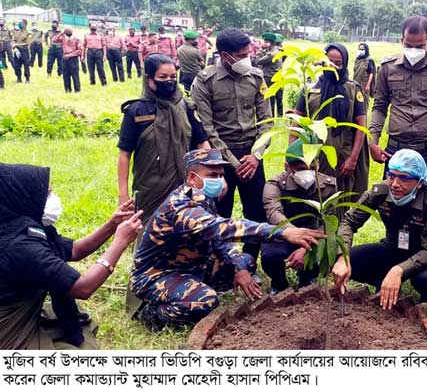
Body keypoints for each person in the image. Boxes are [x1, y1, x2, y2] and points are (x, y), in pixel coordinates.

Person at [129, 149, 324, 330]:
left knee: (245, 262)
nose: (220, 181)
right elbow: (223, 228)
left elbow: (217, 239)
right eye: (212, 176)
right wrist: (282, 232)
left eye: (221, 175)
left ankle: (195, 286)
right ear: (191, 177)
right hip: (158, 276)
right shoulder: (180, 208)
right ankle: (150, 314)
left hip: (192, 266)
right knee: (205, 301)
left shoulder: (202, 198)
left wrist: (238, 267)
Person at [0, 163, 143, 349]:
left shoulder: (20, 227)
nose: (53, 198)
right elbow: (82, 289)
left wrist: (111, 226)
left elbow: (74, 250)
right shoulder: (20, 246)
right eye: (47, 193)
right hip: (8, 328)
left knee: (75, 321)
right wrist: (120, 243)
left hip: (20, 309)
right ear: (25, 198)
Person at [191, 28, 272, 278]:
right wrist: (234, 163)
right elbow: (207, 129)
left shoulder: (256, 78)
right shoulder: (205, 82)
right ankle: (219, 266)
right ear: (225, 56)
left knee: (257, 212)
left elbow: (267, 122)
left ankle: (249, 263)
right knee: (218, 213)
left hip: (252, 156)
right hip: (218, 159)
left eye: (249, 53)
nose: (248, 58)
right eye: (242, 54)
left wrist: (255, 156)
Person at [333, 149, 427, 309]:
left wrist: (399, 270)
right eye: (391, 176)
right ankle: (383, 283)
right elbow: (349, 221)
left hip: (423, 254)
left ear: (420, 183)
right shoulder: (380, 191)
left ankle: (426, 304)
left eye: (404, 179)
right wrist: (342, 257)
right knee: (346, 259)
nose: (395, 184)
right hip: (393, 247)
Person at [117, 54, 210, 222]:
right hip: (150, 189)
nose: (169, 81)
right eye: (163, 77)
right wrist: (123, 194)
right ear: (149, 79)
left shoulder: (186, 107)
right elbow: (124, 154)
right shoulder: (137, 111)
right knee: (147, 235)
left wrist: (213, 174)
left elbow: (202, 141)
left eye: (173, 77)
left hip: (185, 186)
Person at [370, 16, 427, 190]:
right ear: (402, 40)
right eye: (408, 45)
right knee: (391, 204)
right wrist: (372, 141)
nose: (413, 50)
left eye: (419, 46)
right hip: (395, 148)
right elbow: (379, 106)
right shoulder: (388, 67)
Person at [293, 43, 370, 198]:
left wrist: (353, 159)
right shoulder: (310, 87)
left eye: (338, 63)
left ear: (345, 63)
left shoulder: (353, 89)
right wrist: (293, 156)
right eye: (329, 61)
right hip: (315, 156)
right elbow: (296, 123)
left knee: (342, 198)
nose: (333, 66)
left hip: (343, 157)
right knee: (316, 197)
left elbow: (361, 127)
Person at [260, 139, 338, 293]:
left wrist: (306, 248)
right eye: (301, 168)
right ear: (287, 167)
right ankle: (279, 284)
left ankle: (307, 279)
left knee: (328, 251)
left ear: (318, 164)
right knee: (271, 256)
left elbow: (329, 223)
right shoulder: (274, 185)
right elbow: (274, 214)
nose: (308, 172)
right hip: (283, 235)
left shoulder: (328, 185)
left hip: (314, 237)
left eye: (312, 167)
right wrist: (297, 237)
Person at [255, 32, 282, 117]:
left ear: (269, 43)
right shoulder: (275, 51)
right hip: (275, 77)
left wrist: (260, 50)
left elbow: (258, 61)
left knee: (270, 100)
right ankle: (278, 115)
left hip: (269, 78)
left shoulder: (272, 54)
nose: (263, 43)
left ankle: (271, 117)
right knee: (276, 98)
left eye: (265, 42)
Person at [53, 27, 84, 93]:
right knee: (65, 75)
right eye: (67, 31)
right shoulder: (63, 38)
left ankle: (77, 90)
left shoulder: (76, 39)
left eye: (69, 30)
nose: (68, 32)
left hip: (73, 58)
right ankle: (67, 90)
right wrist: (62, 32)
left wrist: (69, 55)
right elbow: (54, 40)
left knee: (75, 75)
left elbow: (80, 51)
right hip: (64, 57)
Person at [11, 19, 32, 84]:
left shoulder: (28, 33)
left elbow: (28, 43)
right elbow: (13, 39)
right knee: (17, 65)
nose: (19, 24)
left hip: (24, 50)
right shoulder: (16, 31)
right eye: (19, 22)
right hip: (17, 50)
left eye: (21, 23)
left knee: (26, 65)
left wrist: (17, 44)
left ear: (25, 24)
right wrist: (14, 46)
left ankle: (27, 79)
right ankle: (19, 78)